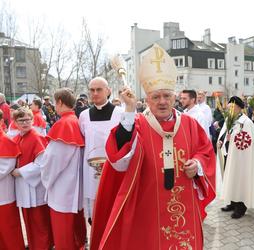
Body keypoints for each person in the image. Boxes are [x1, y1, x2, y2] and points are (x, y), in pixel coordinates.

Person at [91, 44, 216, 250]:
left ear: (175, 97)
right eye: (156, 97)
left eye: (167, 96)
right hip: (146, 207)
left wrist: (198, 165)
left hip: (183, 206)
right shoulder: (137, 123)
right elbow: (118, 156)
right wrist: (129, 111)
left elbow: (205, 152)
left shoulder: (189, 124)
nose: (162, 102)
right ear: (147, 99)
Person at [40, 88, 86, 249]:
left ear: (59, 102)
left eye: (54, 102)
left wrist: (45, 180)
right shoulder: (75, 120)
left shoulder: (63, 124)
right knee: (75, 231)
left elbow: (53, 160)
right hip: (74, 186)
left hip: (62, 188)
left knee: (63, 234)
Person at [79, 77, 123, 224]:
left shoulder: (120, 113)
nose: (95, 93)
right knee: (95, 216)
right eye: (92, 90)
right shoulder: (84, 115)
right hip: (90, 169)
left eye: (99, 89)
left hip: (113, 167)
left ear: (108, 90)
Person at [11, 107, 53, 249]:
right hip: (22, 186)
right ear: (15, 122)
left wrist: (21, 172)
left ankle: (43, 245)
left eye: (28, 119)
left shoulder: (37, 137)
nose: (25, 122)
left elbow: (42, 164)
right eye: (21, 120)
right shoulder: (16, 138)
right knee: (28, 218)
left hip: (35, 186)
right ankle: (34, 244)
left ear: (32, 120)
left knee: (39, 220)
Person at [217, 96, 254, 219]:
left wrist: (232, 140)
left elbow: (247, 141)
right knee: (230, 178)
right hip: (228, 155)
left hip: (241, 159)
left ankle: (241, 207)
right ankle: (231, 202)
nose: (230, 109)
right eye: (229, 106)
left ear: (239, 108)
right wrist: (221, 141)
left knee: (240, 180)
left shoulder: (246, 122)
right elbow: (224, 133)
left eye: (232, 107)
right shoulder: (229, 119)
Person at [0, 110, 25, 249]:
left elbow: (5, 168)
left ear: (1, 122)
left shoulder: (7, 141)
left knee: (9, 231)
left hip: (4, 195)